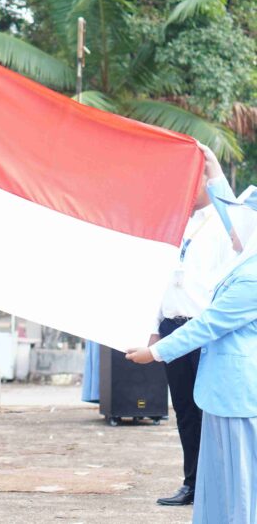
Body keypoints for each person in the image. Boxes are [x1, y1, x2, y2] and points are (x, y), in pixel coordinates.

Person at [127, 183, 257, 524]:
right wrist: (211, 167)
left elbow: (210, 324)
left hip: (237, 391)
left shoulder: (251, 276)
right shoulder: (242, 267)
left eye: (237, 223)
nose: (232, 228)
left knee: (240, 483)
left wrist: (155, 352)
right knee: (219, 480)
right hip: (222, 388)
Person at [145, 149, 234, 507]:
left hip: (204, 328)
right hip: (172, 326)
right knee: (184, 408)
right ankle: (193, 484)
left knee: (211, 408)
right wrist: (154, 326)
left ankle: (220, 484)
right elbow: (159, 279)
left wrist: (211, 165)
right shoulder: (174, 221)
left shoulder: (226, 222)